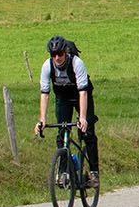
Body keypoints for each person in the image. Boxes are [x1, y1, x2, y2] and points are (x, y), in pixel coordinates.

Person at [35, 35, 100, 188]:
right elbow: (44, 93)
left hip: (81, 96)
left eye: (60, 54)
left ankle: (94, 172)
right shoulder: (47, 66)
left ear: (65, 52)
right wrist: (42, 120)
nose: (57, 58)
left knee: (88, 131)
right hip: (63, 98)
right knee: (62, 131)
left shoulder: (76, 63)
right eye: (53, 55)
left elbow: (83, 92)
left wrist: (83, 117)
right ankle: (64, 172)